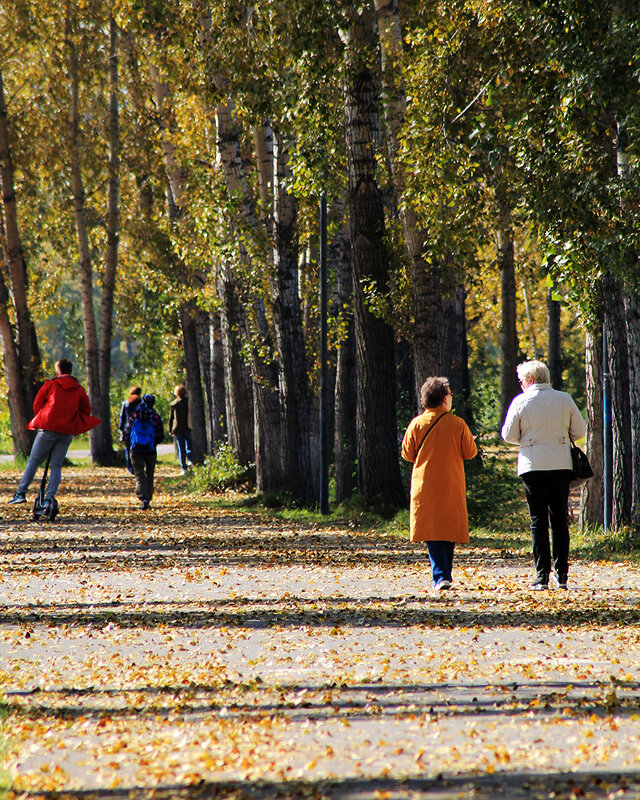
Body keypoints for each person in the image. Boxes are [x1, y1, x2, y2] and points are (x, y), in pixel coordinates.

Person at [501, 360, 587, 591]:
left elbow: (508, 434)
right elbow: (580, 431)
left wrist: (528, 440)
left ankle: (541, 576)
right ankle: (562, 575)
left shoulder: (520, 401)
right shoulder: (564, 399)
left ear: (529, 380)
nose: (520, 385)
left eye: (521, 381)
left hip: (532, 465)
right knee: (559, 520)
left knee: (538, 521)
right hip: (560, 464)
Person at [401, 377, 478, 592]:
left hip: (425, 483)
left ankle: (440, 576)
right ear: (445, 399)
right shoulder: (458, 424)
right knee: (448, 529)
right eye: (450, 394)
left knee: (432, 530)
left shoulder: (416, 423)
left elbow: (407, 454)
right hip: (451, 482)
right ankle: (444, 575)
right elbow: (470, 453)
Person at [8, 359, 101, 508]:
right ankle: (49, 499)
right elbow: (86, 410)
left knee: (34, 461)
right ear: (70, 371)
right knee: (56, 466)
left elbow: (36, 405)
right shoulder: (79, 389)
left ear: (58, 371)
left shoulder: (51, 384)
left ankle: (21, 493)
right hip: (67, 431)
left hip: (48, 429)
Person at [125, 393, 164, 509]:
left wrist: (130, 443)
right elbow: (160, 434)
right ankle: (148, 498)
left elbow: (128, 430)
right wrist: (154, 442)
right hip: (150, 449)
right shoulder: (155, 417)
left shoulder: (135, 415)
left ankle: (143, 497)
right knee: (150, 474)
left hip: (136, 449)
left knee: (139, 474)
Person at [168, 384, 194, 474]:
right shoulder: (188, 402)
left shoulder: (174, 404)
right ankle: (190, 460)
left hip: (177, 429)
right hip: (187, 427)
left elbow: (171, 418)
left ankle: (184, 468)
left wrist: (170, 429)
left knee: (181, 449)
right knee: (189, 445)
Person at [119, 386, 142, 474]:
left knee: (128, 450)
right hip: (138, 429)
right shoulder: (140, 404)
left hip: (127, 429)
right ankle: (138, 466)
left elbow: (122, 417)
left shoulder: (126, 403)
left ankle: (130, 468)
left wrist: (121, 428)